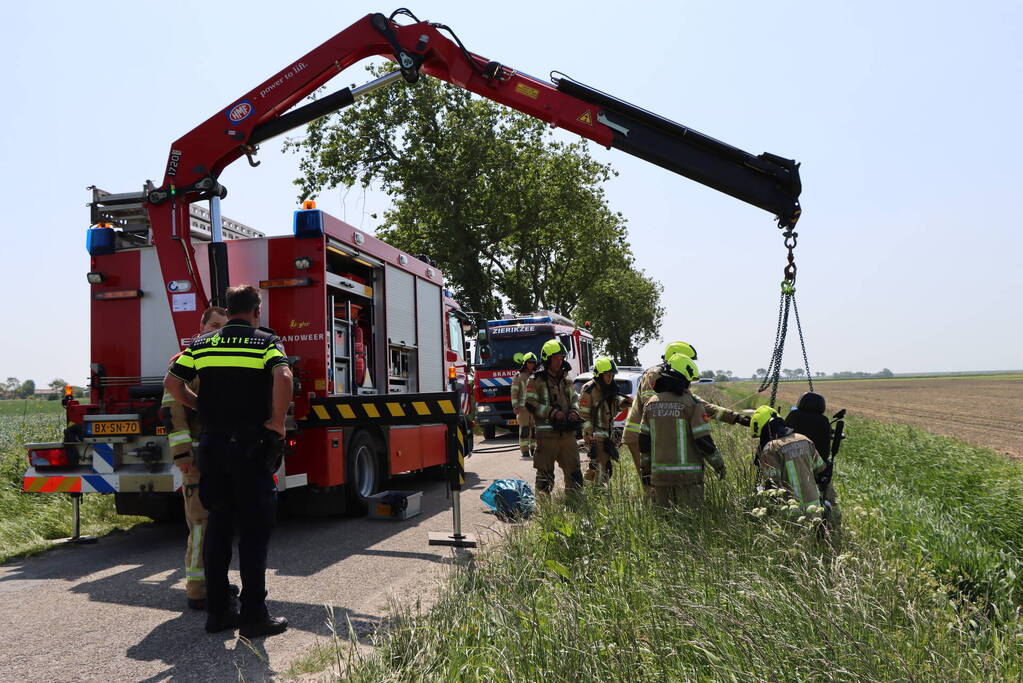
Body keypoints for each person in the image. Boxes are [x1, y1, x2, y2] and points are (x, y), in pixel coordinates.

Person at [165, 285, 293, 638]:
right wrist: (277, 423)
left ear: (230, 309)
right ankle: (254, 615)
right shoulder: (265, 342)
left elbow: (172, 383)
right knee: (254, 533)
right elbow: (283, 376)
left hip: (212, 447)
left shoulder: (201, 345)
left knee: (218, 528)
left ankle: (219, 611)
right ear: (256, 311)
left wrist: (201, 406)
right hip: (250, 448)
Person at [160, 306, 228, 610]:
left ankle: (216, 582)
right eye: (213, 325)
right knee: (200, 525)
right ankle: (198, 590)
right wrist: (183, 454)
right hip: (197, 461)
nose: (218, 332)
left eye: (223, 327)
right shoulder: (186, 361)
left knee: (218, 525)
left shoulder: (222, 359)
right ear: (200, 327)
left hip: (220, 457)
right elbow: (173, 412)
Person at [623, 342, 749, 495]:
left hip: (657, 433)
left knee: (661, 485)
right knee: (652, 485)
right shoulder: (655, 375)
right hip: (640, 434)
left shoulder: (673, 382)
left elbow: (699, 404)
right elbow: (657, 408)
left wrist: (735, 417)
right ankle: (657, 515)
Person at [639, 354, 727, 507]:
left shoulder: (650, 404)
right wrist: (719, 465)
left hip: (659, 479)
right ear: (683, 380)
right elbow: (703, 441)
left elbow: (643, 441)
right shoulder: (692, 404)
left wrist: (645, 471)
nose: (689, 387)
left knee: (665, 524)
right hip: (688, 480)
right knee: (689, 524)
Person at [750, 405, 838, 523]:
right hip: (815, 510)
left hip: (791, 515)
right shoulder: (804, 439)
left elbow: (772, 487)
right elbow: (822, 472)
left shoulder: (770, 449)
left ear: (765, 429)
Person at [525, 339, 582, 494]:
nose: (559, 361)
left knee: (575, 473)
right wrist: (551, 412)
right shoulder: (535, 380)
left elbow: (575, 399)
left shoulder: (567, 380)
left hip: (567, 435)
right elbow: (530, 403)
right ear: (547, 359)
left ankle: (575, 507)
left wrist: (574, 412)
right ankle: (544, 512)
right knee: (544, 477)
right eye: (556, 358)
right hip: (546, 436)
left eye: (561, 358)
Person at [578, 356, 632, 484]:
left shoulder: (611, 387)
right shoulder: (589, 389)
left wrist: (625, 403)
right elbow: (583, 415)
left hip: (608, 433)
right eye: (608, 375)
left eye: (612, 375)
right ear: (599, 374)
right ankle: (599, 491)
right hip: (594, 434)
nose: (610, 378)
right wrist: (590, 433)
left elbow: (615, 408)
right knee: (603, 465)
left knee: (599, 464)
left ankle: (586, 483)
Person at [510, 352, 538, 458]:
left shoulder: (537, 376)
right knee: (525, 429)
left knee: (534, 429)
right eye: (529, 362)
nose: (531, 364)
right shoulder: (519, 376)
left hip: (535, 408)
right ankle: (524, 450)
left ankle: (533, 448)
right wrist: (515, 406)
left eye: (533, 362)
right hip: (523, 408)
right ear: (525, 363)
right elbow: (514, 392)